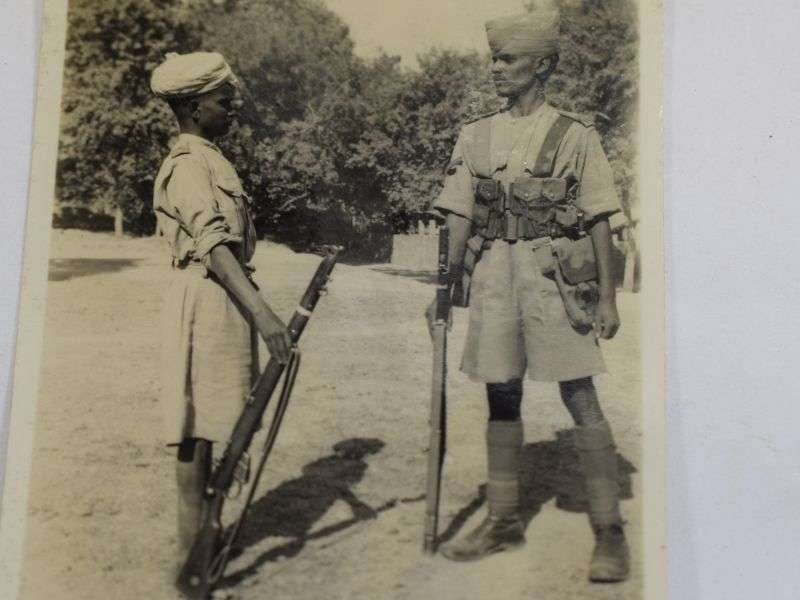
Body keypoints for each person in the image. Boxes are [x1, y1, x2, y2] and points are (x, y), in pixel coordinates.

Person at [425, 7, 630, 583]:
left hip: (551, 277)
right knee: (501, 392)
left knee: (579, 392)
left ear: (541, 66)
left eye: (507, 59)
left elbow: (598, 221)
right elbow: (459, 214)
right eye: (493, 58)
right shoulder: (476, 133)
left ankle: (610, 530)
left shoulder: (575, 134)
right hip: (494, 275)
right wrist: (444, 288)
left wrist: (609, 299)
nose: (495, 68)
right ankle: (504, 520)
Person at [150, 51, 292, 567]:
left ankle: (203, 545)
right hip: (206, 296)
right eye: (223, 102)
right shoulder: (188, 164)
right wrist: (264, 315)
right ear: (193, 106)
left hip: (225, 298)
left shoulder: (211, 156)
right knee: (195, 430)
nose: (233, 110)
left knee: (219, 421)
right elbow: (212, 247)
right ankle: (192, 551)